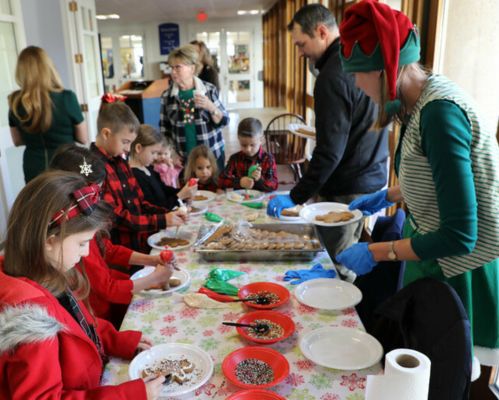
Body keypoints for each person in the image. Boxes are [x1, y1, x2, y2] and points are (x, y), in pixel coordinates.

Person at [335, 0, 499, 354]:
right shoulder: (416, 100)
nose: (355, 84)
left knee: (443, 372)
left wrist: (377, 251)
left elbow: (460, 236)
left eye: (356, 73)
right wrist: (391, 194)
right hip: (428, 253)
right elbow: (435, 176)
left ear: (381, 70)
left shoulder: (439, 114)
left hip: (459, 268)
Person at [0, 171, 164, 399]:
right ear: (49, 241)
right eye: (82, 243)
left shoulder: (47, 273)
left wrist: (117, 341)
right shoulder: (29, 323)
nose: (86, 252)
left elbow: (82, 327)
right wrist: (125, 395)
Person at [267, 4, 389, 257]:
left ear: (322, 32)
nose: (300, 53)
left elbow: (330, 151)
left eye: (301, 44)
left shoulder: (332, 76)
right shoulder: (357, 60)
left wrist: (296, 195)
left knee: (337, 260)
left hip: (348, 183)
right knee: (348, 251)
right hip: (371, 171)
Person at [49, 144, 175, 326]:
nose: (97, 201)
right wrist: (153, 278)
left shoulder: (81, 222)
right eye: (92, 195)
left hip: (106, 310)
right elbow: (107, 289)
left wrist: (151, 261)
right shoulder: (72, 236)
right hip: (98, 318)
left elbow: (107, 250)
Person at [91, 97, 187, 253]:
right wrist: (162, 220)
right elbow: (117, 218)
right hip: (118, 252)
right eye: (125, 142)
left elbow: (141, 203)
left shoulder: (121, 164)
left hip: (138, 244)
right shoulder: (91, 168)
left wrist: (168, 214)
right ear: (106, 134)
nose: (129, 149)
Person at [8, 46, 88, 183]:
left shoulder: (15, 102)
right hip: (65, 164)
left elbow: (17, 141)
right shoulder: (67, 98)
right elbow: (83, 138)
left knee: (41, 203)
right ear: (48, 68)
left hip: (33, 166)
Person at [160, 44, 229, 172]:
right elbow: (165, 130)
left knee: (216, 191)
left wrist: (210, 106)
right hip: (185, 160)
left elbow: (224, 120)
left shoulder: (208, 90)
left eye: (178, 67)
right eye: (171, 68)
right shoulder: (167, 96)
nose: (173, 72)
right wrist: (172, 153)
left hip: (211, 157)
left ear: (192, 68)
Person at [130, 124, 198, 210]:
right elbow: (155, 208)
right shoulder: (135, 176)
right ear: (139, 148)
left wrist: (183, 192)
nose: (155, 157)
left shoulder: (148, 168)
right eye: (153, 153)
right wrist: (180, 196)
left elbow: (163, 189)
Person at [218, 117, 278, 192]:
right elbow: (221, 180)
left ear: (261, 140)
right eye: (244, 145)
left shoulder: (268, 159)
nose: (248, 149)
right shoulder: (235, 159)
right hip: (241, 200)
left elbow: (274, 185)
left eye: (252, 145)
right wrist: (239, 182)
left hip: (261, 200)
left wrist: (259, 180)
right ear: (238, 139)